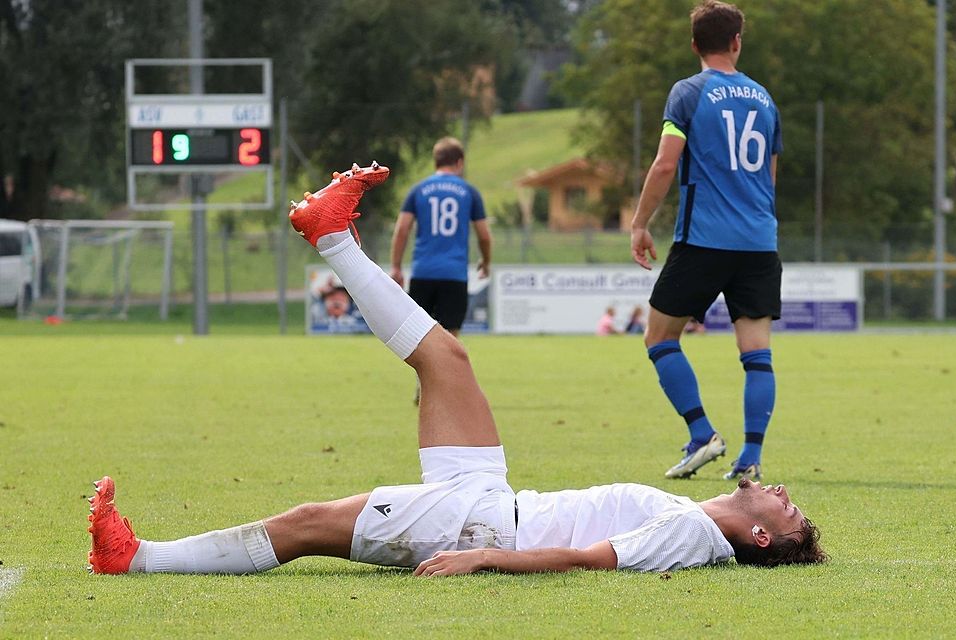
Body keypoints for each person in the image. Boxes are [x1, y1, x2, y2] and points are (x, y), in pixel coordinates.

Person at [87, 161, 825, 577]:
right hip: (491, 496)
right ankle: (331, 231)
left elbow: (591, 558)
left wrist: (483, 565)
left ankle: (140, 558)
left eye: (785, 510)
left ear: (760, 538)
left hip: (481, 526)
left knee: (307, 525)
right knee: (447, 356)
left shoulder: (695, 539)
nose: (783, 491)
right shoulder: (696, 522)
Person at [630, 1, 782, 481]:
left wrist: (639, 222)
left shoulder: (688, 93)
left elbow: (665, 164)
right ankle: (750, 459)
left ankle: (702, 434)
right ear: (737, 42)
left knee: (659, 337)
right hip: (760, 242)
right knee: (757, 352)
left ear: (695, 44)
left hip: (704, 240)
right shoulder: (765, 99)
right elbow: (770, 177)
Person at [390, 137, 492, 337]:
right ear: (460, 162)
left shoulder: (418, 190)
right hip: (454, 274)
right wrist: (486, 262)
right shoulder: (470, 192)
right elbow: (484, 236)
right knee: (451, 337)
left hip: (423, 273)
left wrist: (396, 266)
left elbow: (402, 229)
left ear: (436, 161)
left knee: (418, 338)